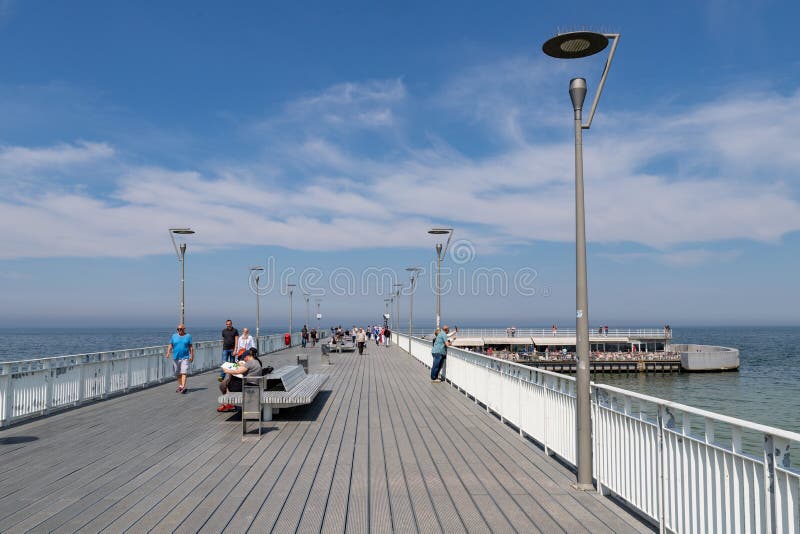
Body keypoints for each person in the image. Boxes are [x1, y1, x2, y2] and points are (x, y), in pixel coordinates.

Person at [217, 347, 263, 412]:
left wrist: (227, 371)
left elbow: (238, 371)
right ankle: (228, 403)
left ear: (247, 356)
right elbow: (243, 370)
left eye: (244, 358)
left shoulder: (249, 363)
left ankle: (228, 403)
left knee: (224, 385)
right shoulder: (256, 362)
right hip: (254, 385)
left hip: (248, 386)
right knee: (226, 383)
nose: (244, 359)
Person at [165, 324, 194, 394]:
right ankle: (181, 386)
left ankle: (183, 387)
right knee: (177, 373)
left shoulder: (188, 336)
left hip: (185, 357)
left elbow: (191, 347)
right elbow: (170, 344)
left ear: (184, 329)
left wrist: (192, 356)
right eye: (178, 329)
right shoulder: (174, 336)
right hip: (176, 357)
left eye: (181, 329)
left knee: (184, 372)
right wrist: (168, 352)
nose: (179, 330)